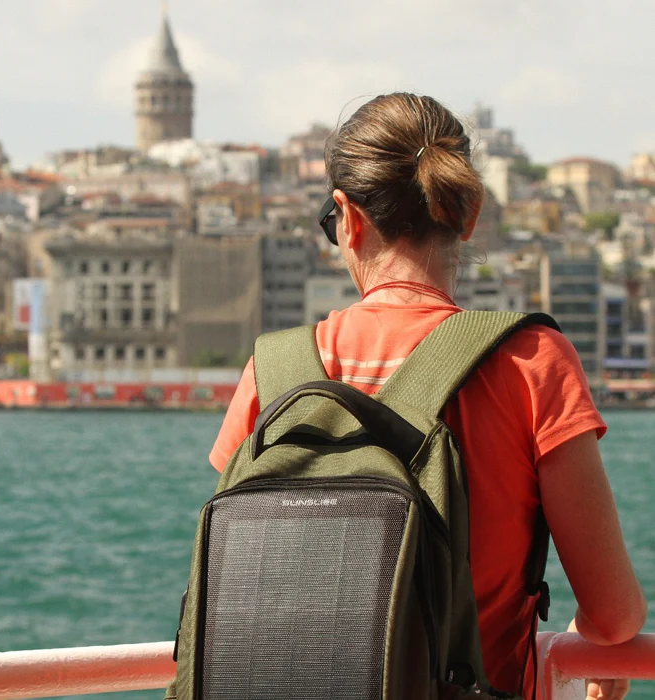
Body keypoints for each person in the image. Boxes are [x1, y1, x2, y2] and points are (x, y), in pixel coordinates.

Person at [208, 92, 646, 700]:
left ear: (348, 217)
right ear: (468, 215)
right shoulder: (529, 362)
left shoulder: (272, 368)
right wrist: (575, 654)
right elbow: (616, 616)